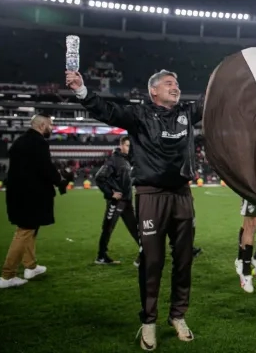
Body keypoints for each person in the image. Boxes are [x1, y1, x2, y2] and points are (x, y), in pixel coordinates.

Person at [66, 69, 201, 350]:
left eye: (177, 84)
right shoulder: (139, 115)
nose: (175, 87)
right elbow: (107, 111)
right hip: (151, 195)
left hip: (182, 195)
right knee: (152, 261)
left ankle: (178, 315)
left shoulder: (187, 113)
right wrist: (81, 90)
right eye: (169, 83)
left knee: (184, 260)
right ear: (153, 91)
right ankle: (149, 321)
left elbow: (215, 99)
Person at [0, 115, 70, 289]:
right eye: (50, 125)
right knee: (24, 231)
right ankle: (7, 276)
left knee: (30, 229)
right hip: (30, 195)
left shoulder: (20, 141)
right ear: (42, 125)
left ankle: (30, 267)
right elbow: (46, 168)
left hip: (18, 194)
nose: (52, 128)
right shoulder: (39, 143)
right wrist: (60, 180)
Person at [94, 135, 140, 265]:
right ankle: (101, 256)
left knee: (135, 227)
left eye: (131, 146)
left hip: (127, 201)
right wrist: (110, 193)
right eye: (127, 145)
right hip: (116, 202)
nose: (129, 148)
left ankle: (145, 251)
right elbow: (99, 177)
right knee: (108, 228)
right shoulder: (113, 160)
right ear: (121, 145)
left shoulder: (128, 160)